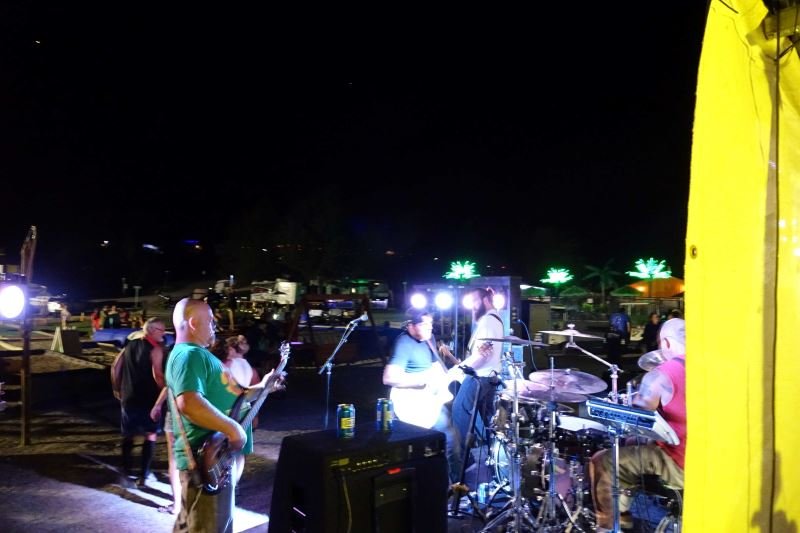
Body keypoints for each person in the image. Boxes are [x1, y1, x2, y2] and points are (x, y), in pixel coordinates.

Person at [166, 298, 282, 533]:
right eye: (210, 320)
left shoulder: (197, 356)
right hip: (206, 461)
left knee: (194, 525)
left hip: (219, 459)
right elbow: (188, 402)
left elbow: (233, 398)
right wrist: (234, 429)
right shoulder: (190, 355)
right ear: (192, 322)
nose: (214, 326)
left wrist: (263, 387)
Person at [589, 318, 686, 531]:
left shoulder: (661, 375)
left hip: (679, 462)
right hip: (712, 460)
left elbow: (635, 421)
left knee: (604, 460)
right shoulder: (709, 368)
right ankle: (622, 514)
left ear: (667, 343)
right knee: (632, 446)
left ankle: (610, 524)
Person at [382, 308, 461, 483]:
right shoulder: (403, 344)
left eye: (431, 324)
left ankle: (453, 488)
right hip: (412, 406)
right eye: (424, 324)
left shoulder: (429, 339)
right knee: (423, 450)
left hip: (430, 403)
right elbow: (388, 378)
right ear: (410, 326)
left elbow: (436, 368)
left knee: (451, 442)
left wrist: (449, 375)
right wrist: (422, 382)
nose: (429, 328)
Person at [450, 287, 504, 458]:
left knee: (459, 410)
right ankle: (493, 461)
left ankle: (465, 458)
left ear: (486, 300)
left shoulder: (488, 321)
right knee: (488, 422)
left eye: (474, 301)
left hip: (479, 378)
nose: (472, 306)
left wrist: (458, 369)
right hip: (490, 379)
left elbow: (482, 356)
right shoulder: (495, 319)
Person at [118, 317, 167, 487]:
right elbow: (158, 376)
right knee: (150, 434)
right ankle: (143, 475)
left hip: (129, 397)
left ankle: (125, 471)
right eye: (162, 330)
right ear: (152, 330)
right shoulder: (156, 350)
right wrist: (165, 392)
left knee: (128, 435)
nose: (164, 333)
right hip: (148, 399)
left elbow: (115, 366)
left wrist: (117, 389)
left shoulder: (129, 344)